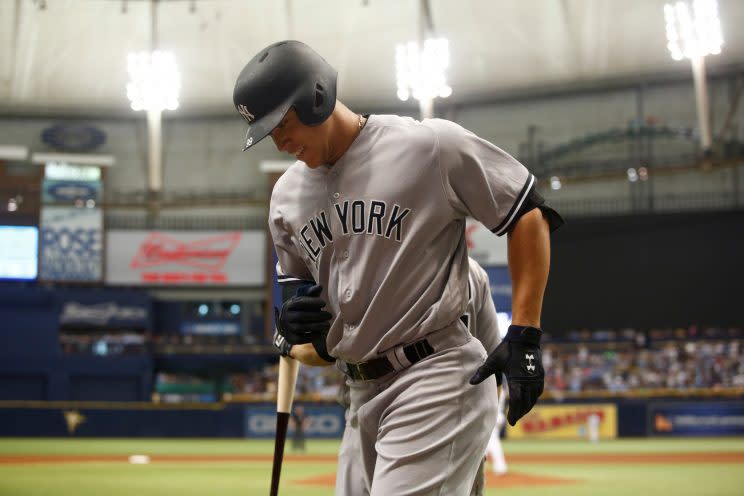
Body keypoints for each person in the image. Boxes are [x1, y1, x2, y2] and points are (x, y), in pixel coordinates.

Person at [235, 40, 562, 495]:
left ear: (317, 97)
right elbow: (315, 343)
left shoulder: (427, 146)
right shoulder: (286, 198)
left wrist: (525, 334)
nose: (280, 141)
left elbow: (527, 211)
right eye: (269, 133)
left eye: (283, 124)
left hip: (435, 377)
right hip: (358, 395)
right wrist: (292, 336)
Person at [274, 257, 505, 495]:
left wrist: (289, 345)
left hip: (386, 395)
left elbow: (322, 353)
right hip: (454, 407)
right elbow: (492, 369)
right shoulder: (475, 273)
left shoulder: (369, 260)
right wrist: (477, 437)